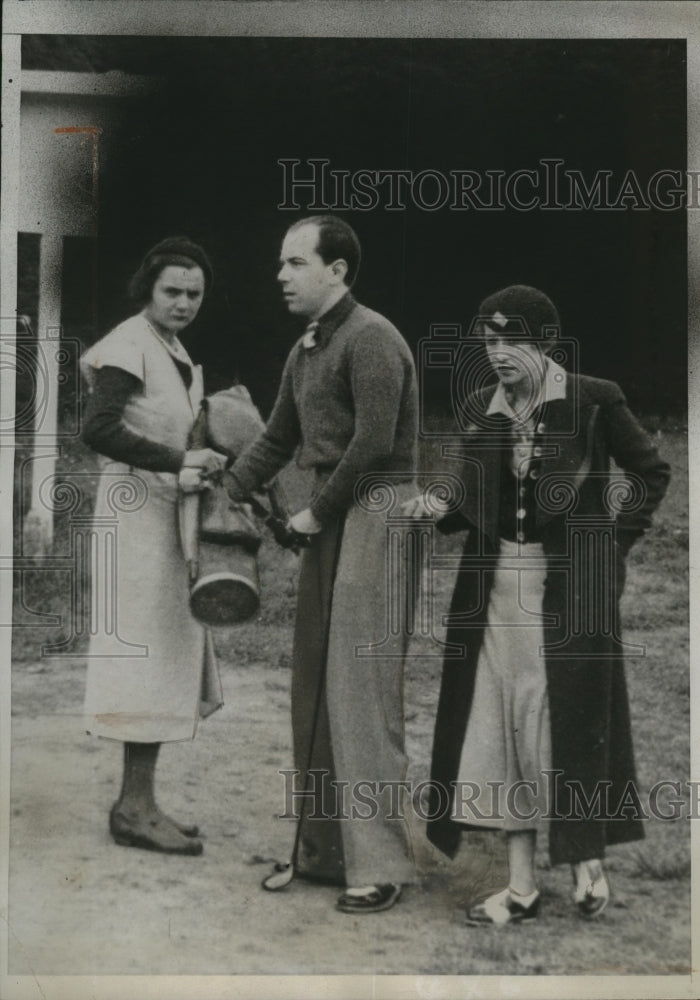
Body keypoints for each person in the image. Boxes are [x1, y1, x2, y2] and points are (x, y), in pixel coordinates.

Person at [404, 284, 670, 924]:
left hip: (569, 592)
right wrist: (439, 505)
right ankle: (520, 887)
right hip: (495, 595)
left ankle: (587, 864)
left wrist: (612, 547)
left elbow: (651, 473)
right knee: (501, 727)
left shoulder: (593, 399)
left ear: (544, 343)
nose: (498, 354)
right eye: (490, 342)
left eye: (511, 341)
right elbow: (473, 491)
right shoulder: (483, 407)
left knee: (564, 724)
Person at [224, 215, 418, 913]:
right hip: (336, 516)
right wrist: (228, 491)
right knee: (315, 682)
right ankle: (326, 853)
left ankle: (383, 866)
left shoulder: (372, 338)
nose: (281, 275)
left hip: (377, 511)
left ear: (336, 270)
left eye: (296, 263)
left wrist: (313, 511)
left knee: (360, 691)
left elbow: (370, 444)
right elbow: (277, 436)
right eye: (281, 263)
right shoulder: (307, 347)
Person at [80, 237, 227, 856]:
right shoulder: (128, 344)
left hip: (164, 517)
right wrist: (176, 459)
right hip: (134, 521)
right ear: (149, 288)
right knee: (146, 656)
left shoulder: (174, 350)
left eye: (194, 293)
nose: (184, 302)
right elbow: (97, 428)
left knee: (167, 654)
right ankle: (133, 808)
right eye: (173, 290)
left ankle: (141, 799)